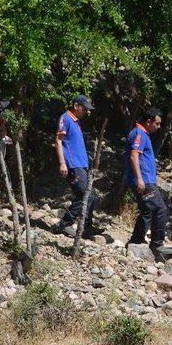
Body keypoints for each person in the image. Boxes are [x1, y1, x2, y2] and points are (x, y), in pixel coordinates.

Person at [125, 108, 172, 262]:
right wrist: (140, 179)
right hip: (144, 181)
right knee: (160, 209)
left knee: (147, 211)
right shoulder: (139, 134)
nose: (159, 127)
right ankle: (157, 245)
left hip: (145, 180)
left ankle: (135, 242)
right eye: (157, 124)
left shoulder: (141, 134)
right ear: (149, 121)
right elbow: (134, 156)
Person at [55, 95, 103, 238]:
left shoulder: (76, 122)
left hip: (81, 165)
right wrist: (63, 163)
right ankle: (65, 223)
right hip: (72, 165)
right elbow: (58, 141)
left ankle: (86, 227)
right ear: (76, 105)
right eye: (84, 108)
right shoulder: (66, 118)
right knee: (84, 195)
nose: (86, 112)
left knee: (90, 195)